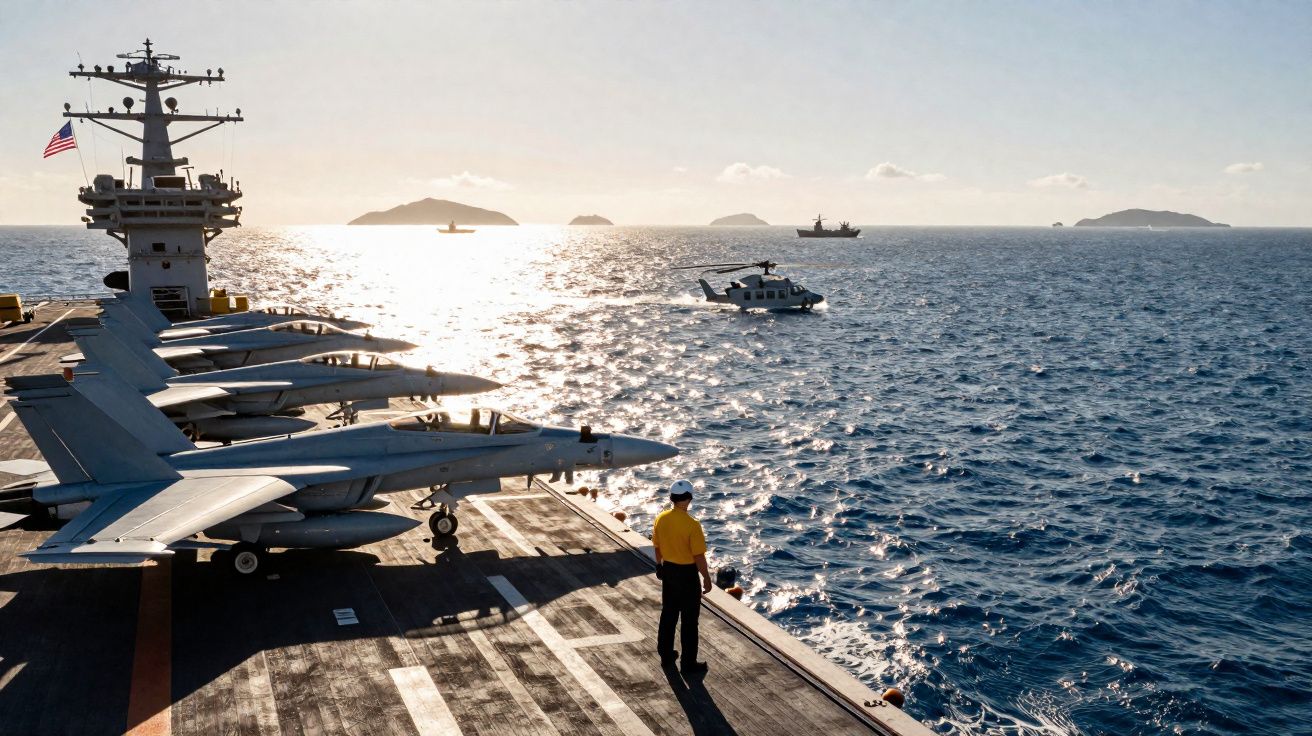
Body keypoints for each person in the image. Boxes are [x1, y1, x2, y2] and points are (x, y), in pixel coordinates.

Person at [652, 479, 712, 675]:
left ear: (672, 498)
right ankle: (688, 664)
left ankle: (666, 655)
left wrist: (660, 564)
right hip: (687, 575)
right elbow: (698, 556)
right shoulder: (692, 525)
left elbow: (657, 546)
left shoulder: (661, 518)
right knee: (689, 621)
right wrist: (707, 578)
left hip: (668, 570)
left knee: (668, 614)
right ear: (688, 499)